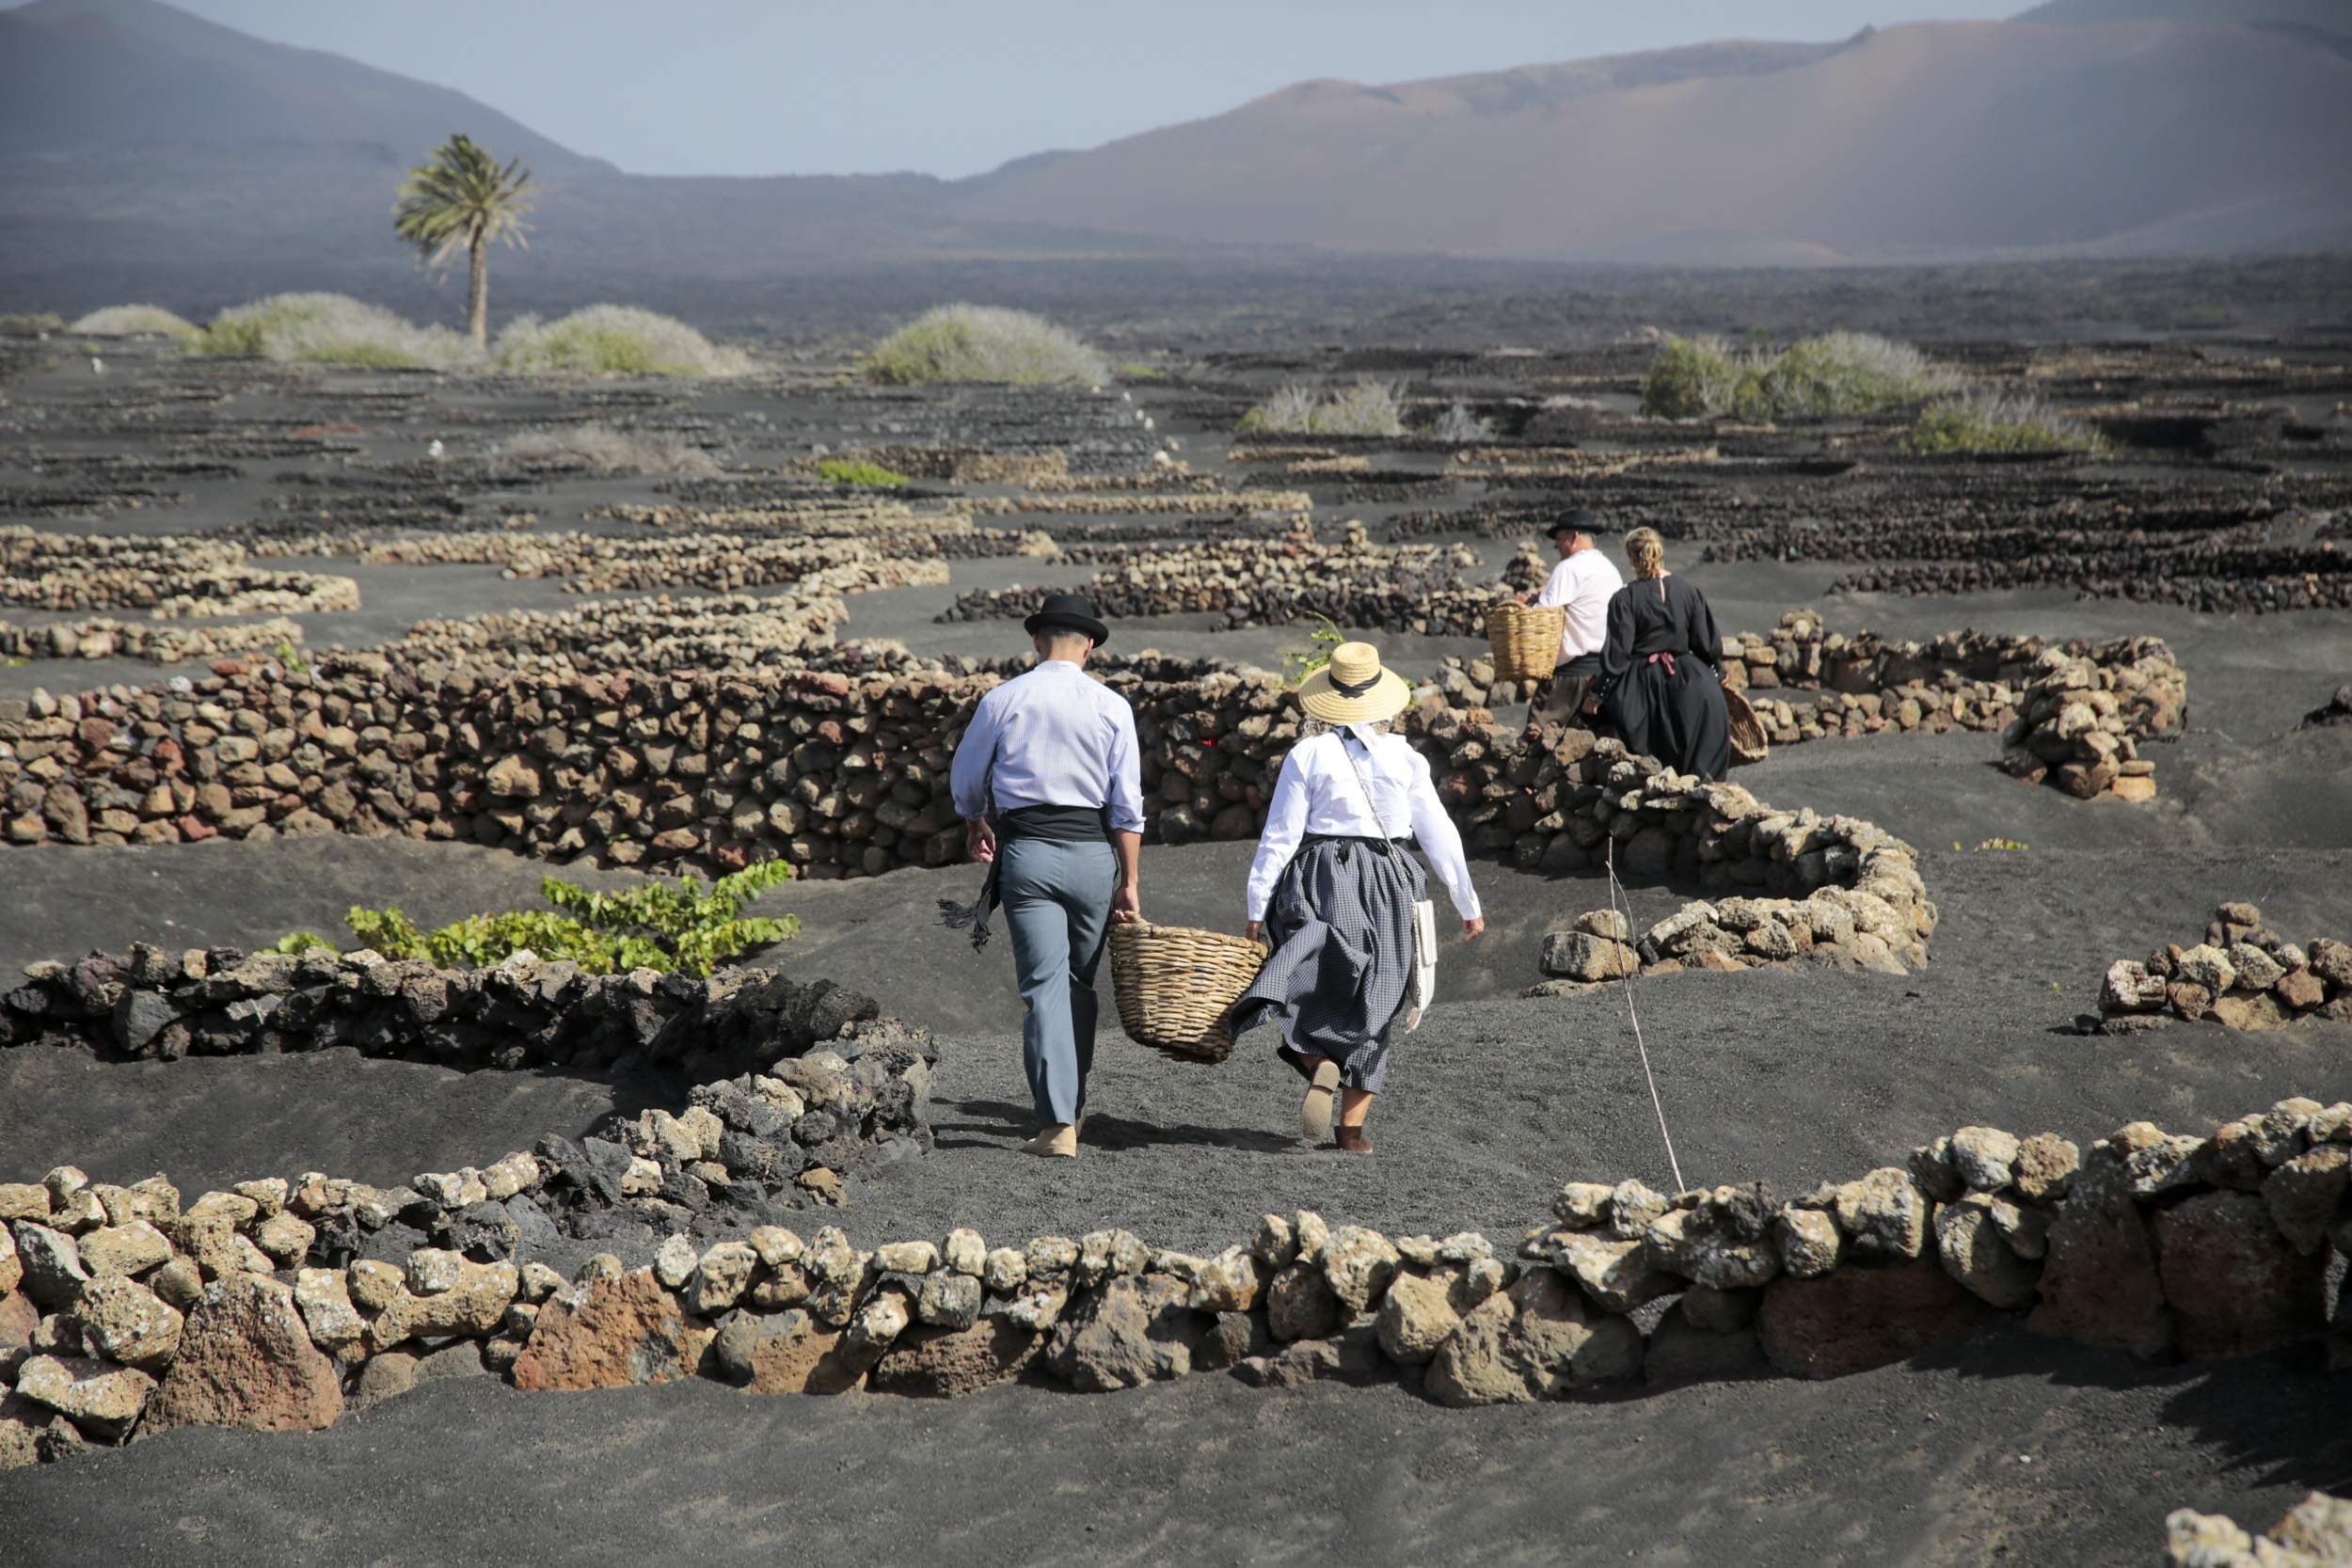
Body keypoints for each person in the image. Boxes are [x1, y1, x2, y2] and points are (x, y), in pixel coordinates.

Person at [1230, 641, 1485, 1153]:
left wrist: (1257, 905)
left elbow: (1280, 836)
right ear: (1381, 700)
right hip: (1391, 877)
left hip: (1320, 873)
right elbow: (1438, 831)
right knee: (1381, 994)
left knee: (1304, 978)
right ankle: (1352, 1132)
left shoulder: (1308, 754)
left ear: (1330, 700)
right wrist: (1467, 902)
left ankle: (1317, 1062)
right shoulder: (1406, 758)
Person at [946, 592, 1144, 1159]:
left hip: (1027, 851)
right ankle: (1069, 1107)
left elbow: (966, 780)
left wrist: (975, 821)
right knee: (1077, 983)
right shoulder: (1112, 707)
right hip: (1091, 856)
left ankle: (1058, 1122)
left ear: (1037, 642)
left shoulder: (1004, 698)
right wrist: (1128, 881)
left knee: (1043, 987)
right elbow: (1127, 807)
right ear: (1087, 646)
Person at [1585, 527, 1733, 781]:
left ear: (1632, 558)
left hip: (1642, 686)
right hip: (1690, 679)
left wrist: (1597, 695)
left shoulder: (1626, 598)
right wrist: (1716, 672)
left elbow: (1618, 655)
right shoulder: (1688, 591)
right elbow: (1706, 645)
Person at [1516, 510, 1623, 727]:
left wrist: (1526, 605)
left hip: (1570, 677)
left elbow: (1542, 615)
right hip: (1604, 674)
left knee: (1535, 741)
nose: (1557, 547)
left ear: (1573, 537)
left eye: (1559, 540)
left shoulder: (1569, 568)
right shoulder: (1610, 570)